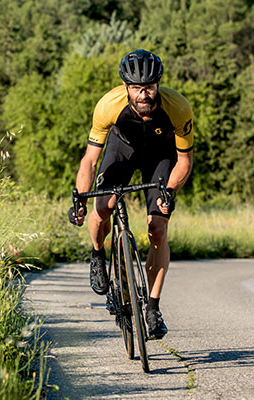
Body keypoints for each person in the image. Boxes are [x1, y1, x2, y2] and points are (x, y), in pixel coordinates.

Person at [67, 49, 194, 339]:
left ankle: (152, 307)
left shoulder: (178, 107)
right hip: (121, 150)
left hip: (160, 156)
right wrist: (81, 199)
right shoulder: (107, 106)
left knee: (158, 227)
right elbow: (89, 160)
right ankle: (98, 254)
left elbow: (184, 161)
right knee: (102, 207)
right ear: (126, 87)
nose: (143, 94)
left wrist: (170, 191)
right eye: (136, 88)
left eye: (149, 87)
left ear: (158, 85)